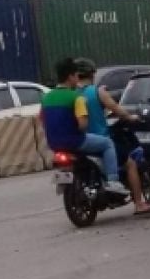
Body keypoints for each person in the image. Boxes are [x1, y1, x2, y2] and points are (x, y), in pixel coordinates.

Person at [74, 57, 150, 215]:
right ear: (92, 74)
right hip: (101, 139)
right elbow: (115, 108)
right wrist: (130, 117)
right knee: (130, 163)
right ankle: (139, 204)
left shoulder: (72, 95)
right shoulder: (97, 92)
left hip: (79, 141)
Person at [39, 57, 128, 195]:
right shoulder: (76, 98)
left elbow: (42, 120)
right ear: (70, 77)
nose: (77, 79)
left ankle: (64, 181)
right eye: (76, 75)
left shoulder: (46, 98)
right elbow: (83, 125)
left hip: (54, 144)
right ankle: (113, 181)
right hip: (75, 141)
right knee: (108, 144)